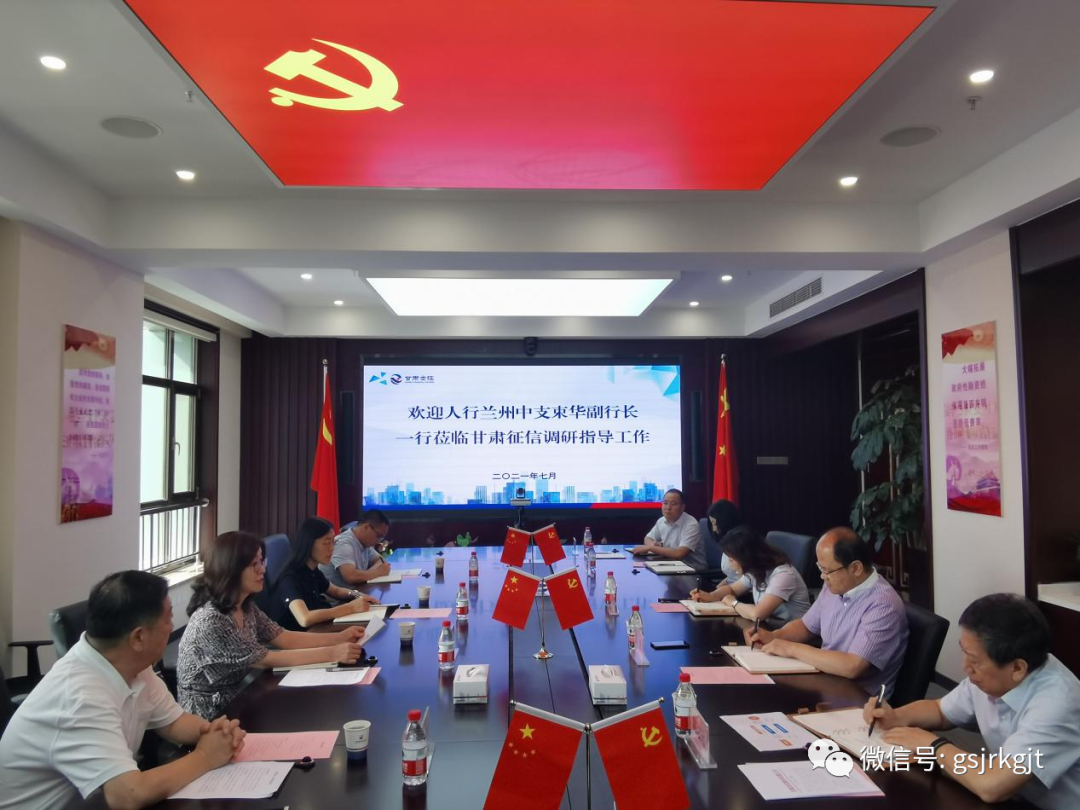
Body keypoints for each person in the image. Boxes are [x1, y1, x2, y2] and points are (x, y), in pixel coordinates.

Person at [0, 571, 246, 810]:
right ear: (138, 638)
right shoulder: (79, 697)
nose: (172, 627)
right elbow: (128, 795)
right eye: (168, 619)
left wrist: (216, 733)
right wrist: (206, 756)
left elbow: (174, 723)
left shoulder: (131, 664)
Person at [864, 593, 1080, 809]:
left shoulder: (1057, 704)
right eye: (964, 653)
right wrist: (896, 716)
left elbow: (993, 786)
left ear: (1017, 668)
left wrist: (933, 745)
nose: (965, 667)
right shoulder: (992, 677)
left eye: (974, 660)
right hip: (1017, 796)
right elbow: (940, 711)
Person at [178, 531, 365, 720]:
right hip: (207, 714)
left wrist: (340, 637)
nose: (262, 570)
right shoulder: (212, 621)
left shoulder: (245, 605)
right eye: (254, 564)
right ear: (231, 569)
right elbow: (267, 659)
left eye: (262, 562)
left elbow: (284, 637)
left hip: (238, 697)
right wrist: (333, 653)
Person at [746, 527, 908, 697]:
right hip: (824, 682)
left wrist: (792, 649)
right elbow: (806, 626)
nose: (823, 577)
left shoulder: (883, 605)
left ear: (856, 568)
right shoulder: (835, 584)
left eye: (827, 570)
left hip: (856, 700)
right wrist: (774, 636)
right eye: (820, 568)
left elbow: (852, 666)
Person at [270, 516, 380, 631]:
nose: (332, 548)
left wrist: (356, 595)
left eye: (333, 542)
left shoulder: (312, 570)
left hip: (317, 627)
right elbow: (305, 618)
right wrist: (350, 608)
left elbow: (335, 591)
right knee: (363, 630)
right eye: (326, 543)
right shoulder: (290, 578)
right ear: (309, 544)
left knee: (369, 627)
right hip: (299, 635)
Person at [688, 525, 811, 623]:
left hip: (792, 637)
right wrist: (711, 596)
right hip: (769, 630)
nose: (730, 565)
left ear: (745, 557)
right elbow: (732, 589)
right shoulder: (756, 570)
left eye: (731, 560)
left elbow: (758, 614)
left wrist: (734, 603)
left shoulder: (783, 575)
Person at [629, 489, 706, 571]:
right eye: (665, 503)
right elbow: (648, 538)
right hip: (671, 565)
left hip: (692, 570)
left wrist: (651, 548)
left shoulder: (691, 524)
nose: (668, 508)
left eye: (673, 504)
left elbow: (679, 554)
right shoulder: (661, 521)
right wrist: (653, 545)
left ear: (682, 507)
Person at [321, 510, 393, 588]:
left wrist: (371, 573)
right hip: (336, 595)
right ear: (366, 527)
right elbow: (351, 577)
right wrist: (377, 572)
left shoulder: (364, 543)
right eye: (379, 536)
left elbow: (381, 561)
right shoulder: (344, 544)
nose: (379, 541)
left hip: (354, 591)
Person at [706, 498, 744, 584]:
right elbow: (731, 578)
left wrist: (717, 592)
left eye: (715, 523)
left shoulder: (741, 542)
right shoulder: (727, 541)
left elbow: (745, 580)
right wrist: (714, 590)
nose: (714, 529)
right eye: (712, 524)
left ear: (725, 521)